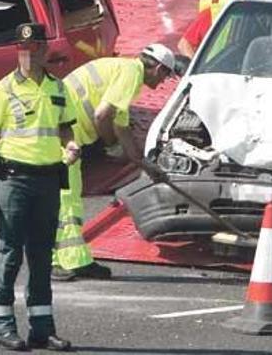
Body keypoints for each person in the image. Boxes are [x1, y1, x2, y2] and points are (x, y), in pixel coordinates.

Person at [0, 23, 79, 352]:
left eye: (34, 48)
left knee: (41, 256)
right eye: (23, 49)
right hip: (13, 180)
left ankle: (41, 328)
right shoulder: (1, 90)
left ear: (45, 50)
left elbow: (67, 131)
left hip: (47, 179)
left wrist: (73, 146)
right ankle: (3, 326)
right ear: (17, 52)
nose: (28, 54)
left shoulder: (59, 89)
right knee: (8, 253)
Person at [51, 43, 179, 281]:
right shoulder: (131, 74)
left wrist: (145, 165)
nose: (162, 83)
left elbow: (121, 127)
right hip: (61, 136)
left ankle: (75, 260)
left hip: (65, 134)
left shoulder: (124, 71)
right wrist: (109, 146)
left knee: (70, 200)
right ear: (158, 67)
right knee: (66, 201)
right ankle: (59, 262)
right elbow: (102, 115)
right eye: (164, 75)